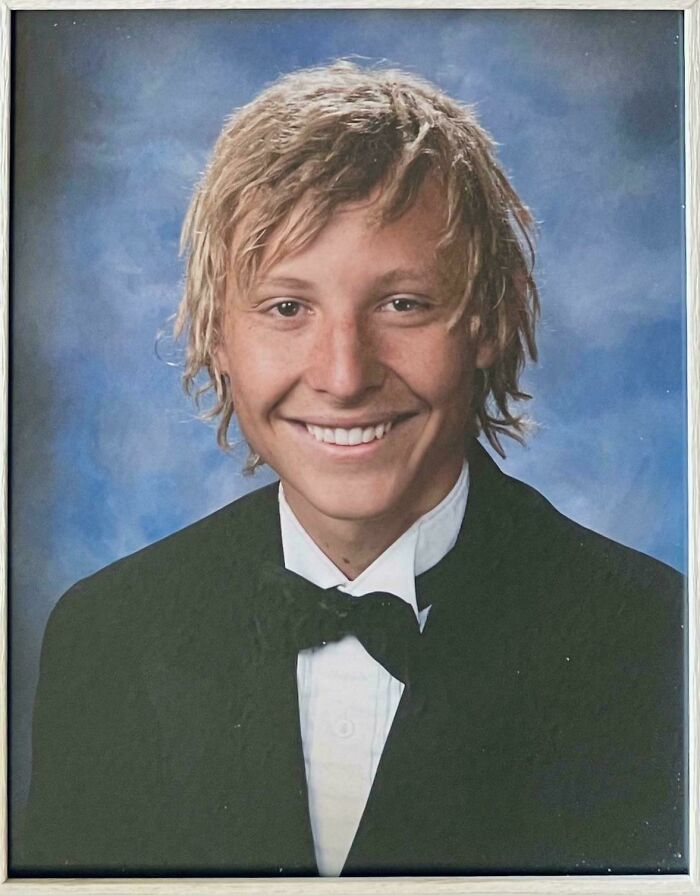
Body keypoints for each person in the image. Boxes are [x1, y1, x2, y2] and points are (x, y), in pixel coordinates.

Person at [17, 61, 685, 877]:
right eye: (287, 307)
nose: (342, 374)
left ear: (490, 317)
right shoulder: (106, 634)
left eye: (402, 303)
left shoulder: (657, 640)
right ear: (216, 337)